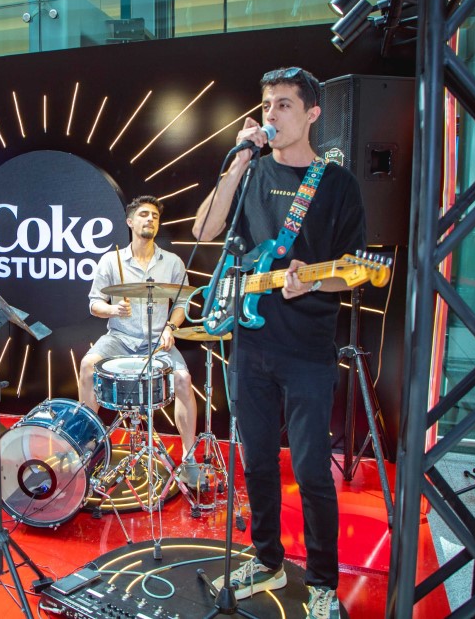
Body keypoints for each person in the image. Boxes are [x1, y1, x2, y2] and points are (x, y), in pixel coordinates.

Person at [192, 67, 365, 619]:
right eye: (267, 105)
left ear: (312, 114)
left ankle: (322, 583)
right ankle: (266, 559)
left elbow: (352, 272)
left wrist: (312, 281)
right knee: (258, 462)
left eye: (284, 105)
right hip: (251, 345)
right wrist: (239, 160)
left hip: (308, 351)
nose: (272, 114)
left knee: (312, 471)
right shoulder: (251, 172)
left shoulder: (337, 184)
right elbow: (204, 231)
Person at [77, 195, 198, 484]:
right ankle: (87, 444)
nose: (150, 219)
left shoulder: (172, 262)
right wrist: (113, 309)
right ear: (130, 222)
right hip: (120, 337)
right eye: (144, 214)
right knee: (87, 365)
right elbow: (94, 303)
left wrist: (170, 327)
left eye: (155, 216)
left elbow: (183, 303)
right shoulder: (111, 260)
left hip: (157, 340)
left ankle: (189, 455)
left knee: (183, 379)